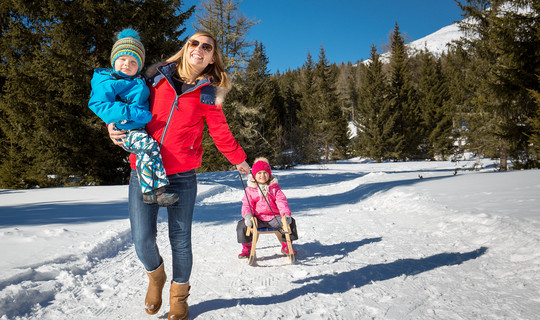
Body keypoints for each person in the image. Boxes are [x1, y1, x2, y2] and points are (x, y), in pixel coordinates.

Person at [107, 31, 250, 320]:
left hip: (182, 175)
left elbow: (220, 132)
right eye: (194, 43)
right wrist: (112, 125)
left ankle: (179, 297)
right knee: (141, 239)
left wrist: (239, 159)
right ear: (186, 48)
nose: (199, 48)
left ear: (211, 58)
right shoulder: (154, 77)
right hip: (143, 169)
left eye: (206, 47)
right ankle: (156, 276)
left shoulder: (209, 93)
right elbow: (123, 101)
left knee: (180, 240)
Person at [89, 28, 178, 207]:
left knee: (151, 149)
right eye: (122, 59)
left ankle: (155, 192)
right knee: (148, 146)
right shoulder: (107, 81)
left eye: (133, 61)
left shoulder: (138, 80)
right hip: (125, 129)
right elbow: (98, 105)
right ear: (114, 61)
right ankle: (152, 191)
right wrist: (131, 112)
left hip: (138, 128)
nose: (126, 64)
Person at [236, 157, 298, 258]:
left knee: (290, 222)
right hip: (257, 219)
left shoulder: (274, 188)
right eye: (259, 173)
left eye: (265, 173)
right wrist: (248, 216)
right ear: (254, 175)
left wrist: (285, 215)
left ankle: (287, 245)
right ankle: (247, 248)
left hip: (274, 218)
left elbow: (281, 201)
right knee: (242, 225)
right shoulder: (250, 189)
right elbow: (247, 204)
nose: (262, 175)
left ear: (269, 174)